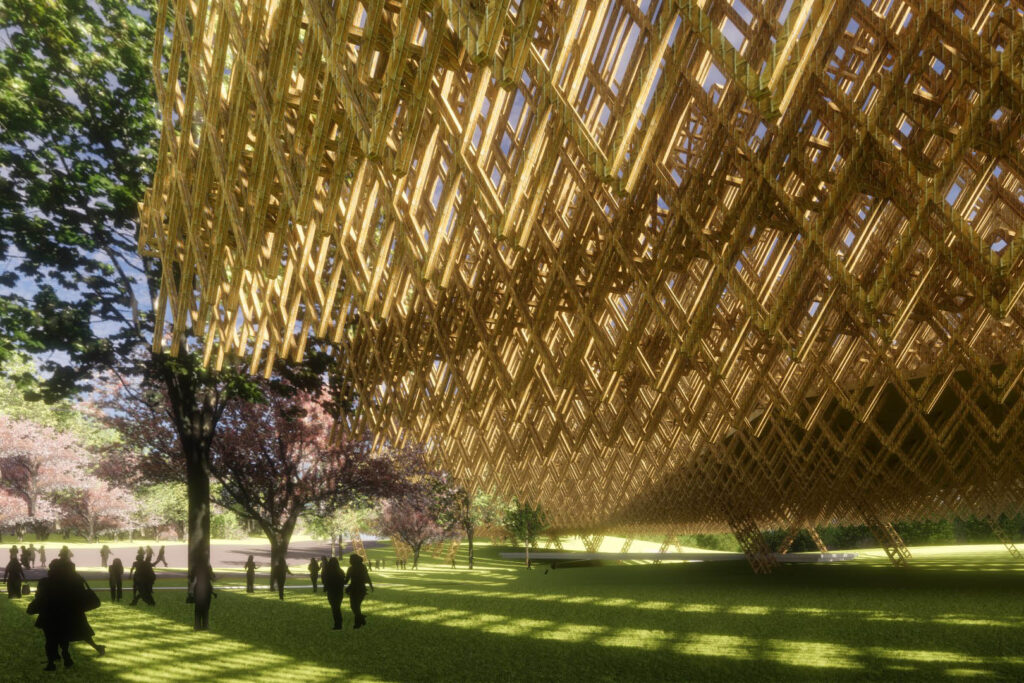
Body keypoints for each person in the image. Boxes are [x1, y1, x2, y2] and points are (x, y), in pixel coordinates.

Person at [27, 556, 105, 670]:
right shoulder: (74, 581)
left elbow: (40, 598)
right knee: (65, 635)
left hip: (50, 614)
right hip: (71, 614)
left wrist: (33, 607)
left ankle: (52, 663)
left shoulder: (45, 582)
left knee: (50, 640)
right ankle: (65, 657)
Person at [346, 554, 373, 629]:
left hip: (354, 589)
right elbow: (367, 577)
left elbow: (346, 580)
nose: (349, 561)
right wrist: (371, 585)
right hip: (361, 589)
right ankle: (360, 619)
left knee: (354, 606)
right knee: (356, 606)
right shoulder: (362, 567)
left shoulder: (351, 569)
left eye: (350, 559)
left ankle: (358, 622)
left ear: (354, 560)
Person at [321, 557, 346, 629]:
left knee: (334, 608)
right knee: (337, 607)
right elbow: (343, 581)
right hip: (339, 592)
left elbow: (325, 580)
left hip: (331, 591)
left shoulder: (328, 571)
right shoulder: (340, 571)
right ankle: (338, 623)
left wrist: (325, 587)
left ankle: (338, 624)